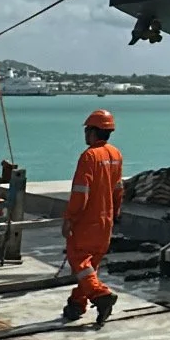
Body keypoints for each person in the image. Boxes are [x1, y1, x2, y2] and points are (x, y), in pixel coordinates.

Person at [61, 108, 122, 327]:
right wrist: (116, 213)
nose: (85, 134)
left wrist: (70, 217)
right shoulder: (115, 154)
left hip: (88, 221)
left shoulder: (89, 157)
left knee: (79, 259)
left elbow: (80, 192)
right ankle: (77, 304)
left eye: (87, 130)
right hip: (106, 222)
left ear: (94, 131)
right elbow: (118, 189)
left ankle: (101, 295)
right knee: (90, 267)